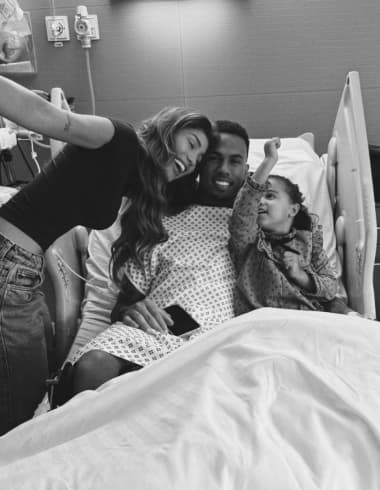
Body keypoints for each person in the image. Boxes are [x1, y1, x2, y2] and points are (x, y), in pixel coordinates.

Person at [0, 74, 214, 434]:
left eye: (199, 158)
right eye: (192, 144)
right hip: (9, 258)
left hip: (23, 267)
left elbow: (69, 176)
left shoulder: (134, 182)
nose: (192, 160)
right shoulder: (120, 138)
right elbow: (46, 116)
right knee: (19, 405)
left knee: (31, 388)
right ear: (167, 130)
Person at [66, 120, 251, 396]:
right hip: (161, 325)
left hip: (221, 333)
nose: (224, 169)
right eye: (214, 158)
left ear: (247, 170)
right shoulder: (165, 219)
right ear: (200, 164)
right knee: (94, 366)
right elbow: (125, 299)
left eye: (235, 161)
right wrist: (131, 309)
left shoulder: (258, 225)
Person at [229, 138, 338, 316]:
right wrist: (269, 161)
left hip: (305, 318)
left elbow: (331, 287)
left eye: (270, 196)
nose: (260, 202)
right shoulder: (250, 242)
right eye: (259, 197)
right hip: (261, 321)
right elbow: (244, 210)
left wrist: (301, 276)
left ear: (292, 209)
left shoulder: (309, 243)